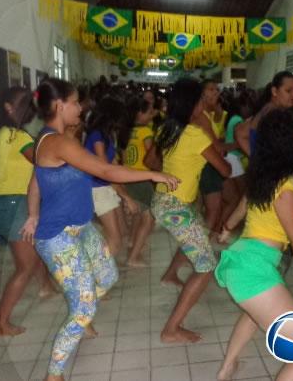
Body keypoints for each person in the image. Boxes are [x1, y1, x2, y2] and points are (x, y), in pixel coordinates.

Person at [22, 78, 178, 381]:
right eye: (76, 102)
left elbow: (34, 180)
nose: (81, 107)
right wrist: (154, 174)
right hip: (57, 237)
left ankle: (83, 315)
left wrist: (31, 214)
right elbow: (105, 170)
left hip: (80, 227)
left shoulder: (49, 138)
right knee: (83, 306)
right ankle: (53, 375)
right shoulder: (58, 142)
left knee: (108, 275)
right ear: (59, 105)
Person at [215, 109, 293, 381]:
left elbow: (244, 204)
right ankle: (227, 368)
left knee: (253, 314)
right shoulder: (285, 187)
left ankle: (226, 369)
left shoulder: (262, 174)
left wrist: (226, 229)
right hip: (254, 268)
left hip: (244, 260)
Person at [147, 78, 231, 343]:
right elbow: (225, 170)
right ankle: (171, 329)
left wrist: (172, 172)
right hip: (176, 206)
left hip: (164, 200)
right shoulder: (195, 134)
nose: (204, 105)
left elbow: (150, 161)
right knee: (206, 266)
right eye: (201, 101)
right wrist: (206, 138)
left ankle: (170, 274)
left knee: (196, 240)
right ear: (193, 104)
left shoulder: (166, 128)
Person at [0, 87, 56, 336]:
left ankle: (46, 286)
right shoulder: (18, 137)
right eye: (24, 104)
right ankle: (0, 322)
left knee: (33, 254)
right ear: (8, 108)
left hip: (2, 203)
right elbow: (43, 159)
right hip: (15, 205)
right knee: (25, 267)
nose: (29, 109)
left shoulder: (0, 133)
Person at [84, 97, 139, 256]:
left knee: (122, 233)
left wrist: (125, 193)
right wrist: (126, 198)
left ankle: (101, 268)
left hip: (105, 187)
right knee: (115, 240)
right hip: (97, 189)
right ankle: (100, 275)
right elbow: (105, 171)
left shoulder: (106, 135)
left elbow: (115, 168)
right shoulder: (97, 136)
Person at [122, 96, 157, 267]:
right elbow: (151, 156)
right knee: (149, 218)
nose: (152, 116)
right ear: (140, 113)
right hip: (142, 177)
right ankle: (133, 257)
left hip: (128, 176)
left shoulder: (127, 130)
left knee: (138, 213)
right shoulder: (146, 132)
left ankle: (132, 241)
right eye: (149, 113)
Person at [235, 71, 293, 157]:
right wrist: (257, 160)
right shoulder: (270, 112)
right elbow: (240, 133)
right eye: (288, 91)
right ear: (274, 91)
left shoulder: (276, 110)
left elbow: (240, 133)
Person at [221, 91, 255, 226]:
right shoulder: (238, 120)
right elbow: (237, 141)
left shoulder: (233, 118)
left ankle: (231, 223)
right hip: (233, 158)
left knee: (237, 194)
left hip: (232, 158)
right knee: (242, 194)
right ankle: (231, 223)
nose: (249, 109)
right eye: (247, 106)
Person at [199, 81, 228, 237]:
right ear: (202, 93)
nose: (216, 92)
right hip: (207, 164)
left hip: (212, 164)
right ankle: (199, 249)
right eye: (211, 89)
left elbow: (218, 141)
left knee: (213, 209)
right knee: (212, 210)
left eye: (217, 89)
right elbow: (215, 145)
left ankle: (203, 246)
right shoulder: (201, 116)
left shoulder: (209, 114)